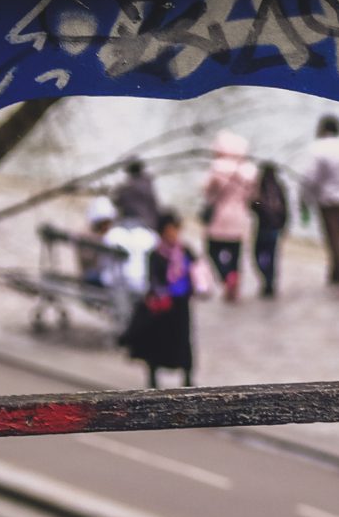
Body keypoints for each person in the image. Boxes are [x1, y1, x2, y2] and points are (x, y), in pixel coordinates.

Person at [119, 210, 200, 388]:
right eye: (169, 230)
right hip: (163, 307)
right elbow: (152, 280)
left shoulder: (185, 250)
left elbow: (197, 271)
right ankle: (153, 380)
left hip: (181, 305)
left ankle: (187, 379)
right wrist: (162, 293)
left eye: (175, 229)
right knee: (156, 344)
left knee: (184, 343)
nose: (173, 234)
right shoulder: (156, 254)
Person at [299, 115, 339, 287]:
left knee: (332, 235)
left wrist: (304, 199)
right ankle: (336, 271)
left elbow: (309, 178)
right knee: (338, 234)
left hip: (327, 200)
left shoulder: (318, 148)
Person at [200, 131, 256, 302]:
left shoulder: (217, 168)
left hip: (219, 216)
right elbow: (252, 196)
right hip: (239, 218)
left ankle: (226, 278)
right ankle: (234, 279)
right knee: (235, 253)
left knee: (212, 249)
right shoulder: (248, 171)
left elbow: (206, 190)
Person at [250, 161, 289, 298]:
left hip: (263, 228)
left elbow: (254, 205)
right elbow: (285, 209)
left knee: (258, 254)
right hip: (274, 228)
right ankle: (269, 281)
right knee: (271, 256)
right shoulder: (279, 187)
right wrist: (284, 225)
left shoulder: (260, 187)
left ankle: (267, 279)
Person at [110, 160, 160, 231]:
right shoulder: (148, 182)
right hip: (151, 222)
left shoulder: (126, 188)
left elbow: (117, 201)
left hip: (137, 225)